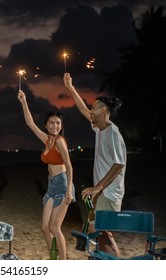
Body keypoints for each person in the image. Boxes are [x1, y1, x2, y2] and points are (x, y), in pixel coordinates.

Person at [63, 73, 126, 257]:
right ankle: (109, 262)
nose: (90, 111)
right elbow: (83, 110)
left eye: (94, 108)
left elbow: (119, 164)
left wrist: (98, 187)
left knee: (103, 234)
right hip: (101, 192)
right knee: (100, 233)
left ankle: (113, 264)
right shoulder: (100, 129)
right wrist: (70, 88)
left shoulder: (113, 133)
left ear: (104, 110)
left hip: (109, 192)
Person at [17, 90, 75, 260]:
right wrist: (24, 101)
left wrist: (69, 191)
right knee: (44, 227)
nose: (54, 126)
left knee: (55, 227)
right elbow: (29, 122)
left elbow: (69, 166)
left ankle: (62, 263)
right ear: (46, 125)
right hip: (51, 185)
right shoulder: (47, 140)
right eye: (51, 123)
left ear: (61, 126)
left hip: (63, 184)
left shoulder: (59, 141)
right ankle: (53, 257)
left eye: (58, 123)